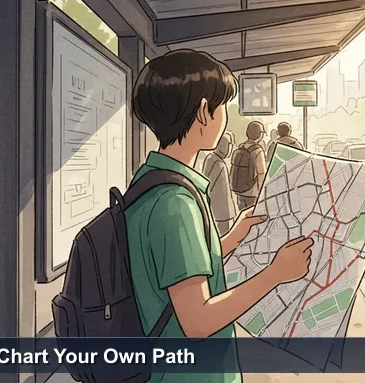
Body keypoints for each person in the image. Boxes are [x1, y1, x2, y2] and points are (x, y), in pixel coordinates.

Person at [128, 49, 313, 383]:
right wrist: (276, 273)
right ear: (203, 112)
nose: (224, 116)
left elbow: (172, 271)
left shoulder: (151, 181)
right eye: (222, 106)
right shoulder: (175, 204)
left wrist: (228, 240)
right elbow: (197, 320)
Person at [202, 132, 237, 235]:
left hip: (216, 209)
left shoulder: (211, 158)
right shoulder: (218, 164)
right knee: (224, 234)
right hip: (221, 211)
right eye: (229, 145)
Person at [230, 121, 266, 211]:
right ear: (260, 135)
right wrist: (262, 192)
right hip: (252, 192)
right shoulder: (258, 150)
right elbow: (261, 173)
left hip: (239, 191)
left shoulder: (241, 147)